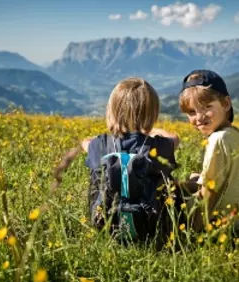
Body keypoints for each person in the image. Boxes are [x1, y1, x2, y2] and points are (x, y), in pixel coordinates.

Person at [82, 77, 180, 242]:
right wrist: (148, 130)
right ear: (153, 115)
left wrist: (115, 129)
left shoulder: (100, 144)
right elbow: (174, 138)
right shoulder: (156, 146)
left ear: (111, 111)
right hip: (152, 229)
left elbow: (85, 142)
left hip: (104, 225)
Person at [179, 69, 239, 231]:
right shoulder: (233, 134)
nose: (199, 117)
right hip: (233, 216)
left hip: (220, 224)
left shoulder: (217, 140)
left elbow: (209, 192)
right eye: (192, 112)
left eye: (206, 107)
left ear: (226, 104)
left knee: (164, 196)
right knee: (192, 178)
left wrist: (193, 233)